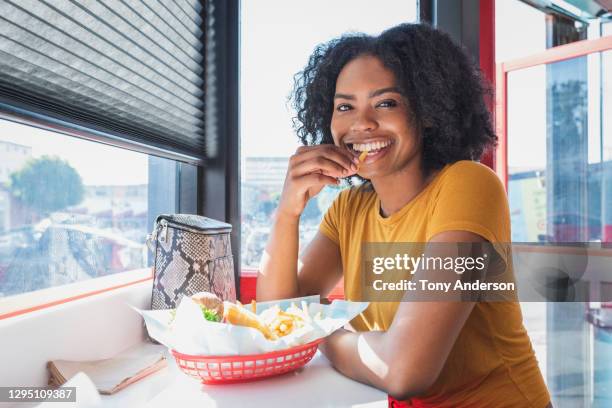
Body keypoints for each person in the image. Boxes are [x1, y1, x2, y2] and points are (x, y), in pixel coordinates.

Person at [256, 23, 551, 407]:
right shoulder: (349, 209)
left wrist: (319, 329)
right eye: (345, 106)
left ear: (427, 112)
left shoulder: (468, 185)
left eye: (385, 103)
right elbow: (275, 320)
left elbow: (404, 370)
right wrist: (288, 211)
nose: (362, 123)